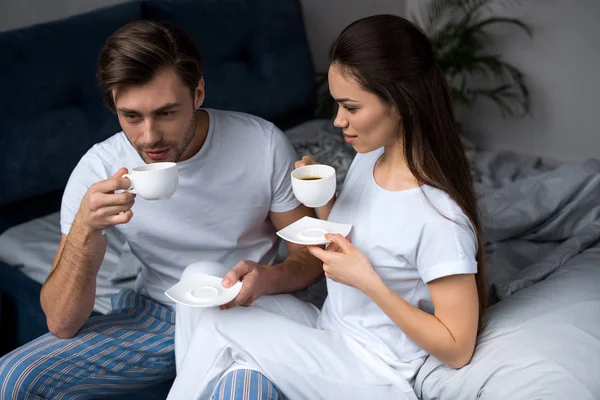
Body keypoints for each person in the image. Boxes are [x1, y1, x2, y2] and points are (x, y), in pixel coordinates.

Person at [167, 14, 487, 400]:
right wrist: (322, 202)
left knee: (223, 328)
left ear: (400, 102)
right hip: (330, 330)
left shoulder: (440, 216)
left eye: (351, 107)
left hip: (374, 370)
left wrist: (369, 282)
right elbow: (363, 238)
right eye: (338, 105)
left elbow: (457, 348)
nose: (338, 121)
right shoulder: (370, 159)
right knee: (201, 282)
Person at [0, 20, 323, 399]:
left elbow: (310, 259)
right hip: (153, 315)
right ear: (113, 106)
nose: (149, 137)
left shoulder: (262, 143)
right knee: (13, 377)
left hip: (247, 310)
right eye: (132, 116)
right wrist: (86, 231)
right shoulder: (98, 168)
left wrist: (269, 278)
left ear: (198, 92)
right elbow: (61, 322)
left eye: (166, 113)